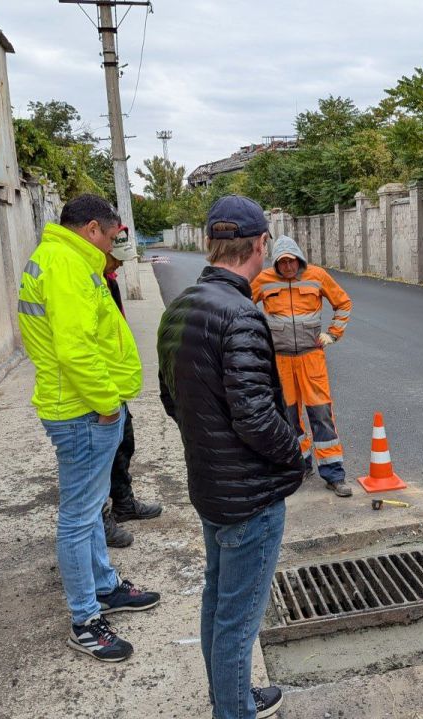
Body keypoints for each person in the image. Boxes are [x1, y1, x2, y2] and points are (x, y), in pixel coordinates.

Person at [157, 195, 303, 719]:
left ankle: (232, 696)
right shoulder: (241, 315)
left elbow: (171, 398)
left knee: (219, 603)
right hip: (250, 496)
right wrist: (297, 457)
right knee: (239, 618)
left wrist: (210, 445)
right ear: (261, 245)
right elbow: (257, 418)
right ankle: (233, 710)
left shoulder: (181, 307)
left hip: (212, 487)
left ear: (208, 244)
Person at [18, 195, 160, 663]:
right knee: (79, 517)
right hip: (81, 410)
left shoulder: (70, 258)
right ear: (94, 227)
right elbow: (74, 348)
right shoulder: (66, 264)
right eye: (114, 237)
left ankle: (104, 587)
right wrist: (105, 405)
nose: (114, 246)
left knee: (93, 505)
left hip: (84, 406)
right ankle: (84, 620)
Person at [251, 235, 354, 497]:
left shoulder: (317, 276)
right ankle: (300, 464)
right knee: (287, 417)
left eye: (291, 261)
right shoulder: (263, 281)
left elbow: (343, 303)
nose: (287, 267)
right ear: (275, 263)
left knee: (321, 415)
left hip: (312, 358)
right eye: (282, 262)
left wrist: (333, 333)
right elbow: (241, 307)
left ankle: (334, 473)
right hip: (281, 361)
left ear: (299, 259)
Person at [100, 226, 163, 549]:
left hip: (114, 383)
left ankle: (124, 502)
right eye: (117, 259)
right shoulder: (88, 281)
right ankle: (103, 517)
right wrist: (105, 402)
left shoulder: (107, 280)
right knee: (100, 457)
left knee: (124, 443)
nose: (121, 266)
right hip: (97, 390)